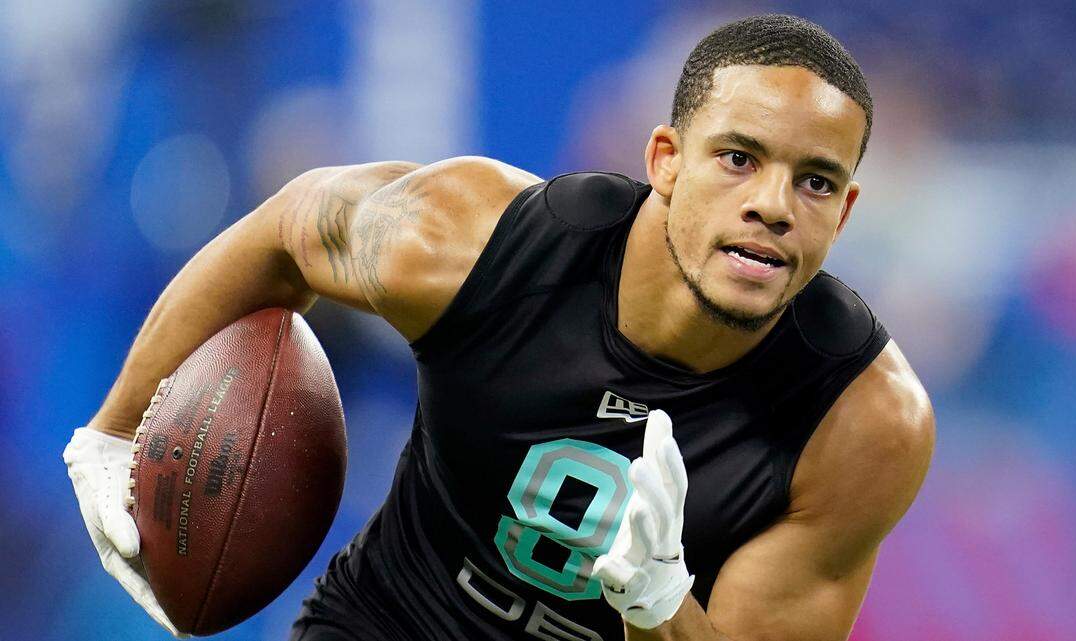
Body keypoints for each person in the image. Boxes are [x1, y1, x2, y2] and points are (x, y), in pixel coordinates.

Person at [64, 14, 935, 641]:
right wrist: (111, 432)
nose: (773, 206)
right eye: (738, 158)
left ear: (847, 209)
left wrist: (660, 604)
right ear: (665, 160)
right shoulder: (481, 241)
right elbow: (292, 223)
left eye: (816, 182)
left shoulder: (862, 422)